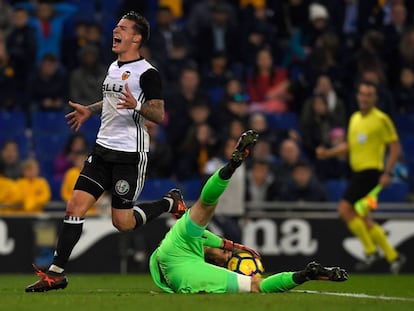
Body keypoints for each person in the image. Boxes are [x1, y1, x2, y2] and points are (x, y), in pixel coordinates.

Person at [25, 11, 186, 292]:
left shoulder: (148, 73)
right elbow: (112, 100)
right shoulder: (113, 67)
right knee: (74, 206)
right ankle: (56, 273)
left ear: (136, 37)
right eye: (116, 26)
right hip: (102, 150)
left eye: (122, 28)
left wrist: (137, 105)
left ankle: (170, 203)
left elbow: (158, 114)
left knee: (122, 222)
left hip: (129, 155)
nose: (116, 30)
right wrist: (89, 109)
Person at [150, 130, 348, 294]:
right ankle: (304, 275)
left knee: (207, 204)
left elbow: (208, 239)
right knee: (256, 285)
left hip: (176, 248)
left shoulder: (195, 243)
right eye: (228, 255)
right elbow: (212, 241)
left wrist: (233, 246)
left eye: (226, 256)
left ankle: (231, 166)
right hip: (184, 270)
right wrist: (234, 246)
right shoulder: (198, 266)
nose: (227, 254)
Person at [316, 80, 406, 274]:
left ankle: (371, 251)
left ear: (375, 98)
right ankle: (393, 257)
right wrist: (328, 153)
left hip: (371, 172)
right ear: (357, 96)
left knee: (344, 209)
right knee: (364, 218)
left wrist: (388, 172)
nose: (364, 98)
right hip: (358, 173)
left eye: (369, 95)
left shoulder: (381, 119)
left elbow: (395, 146)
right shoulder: (355, 118)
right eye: (362, 94)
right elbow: (349, 146)